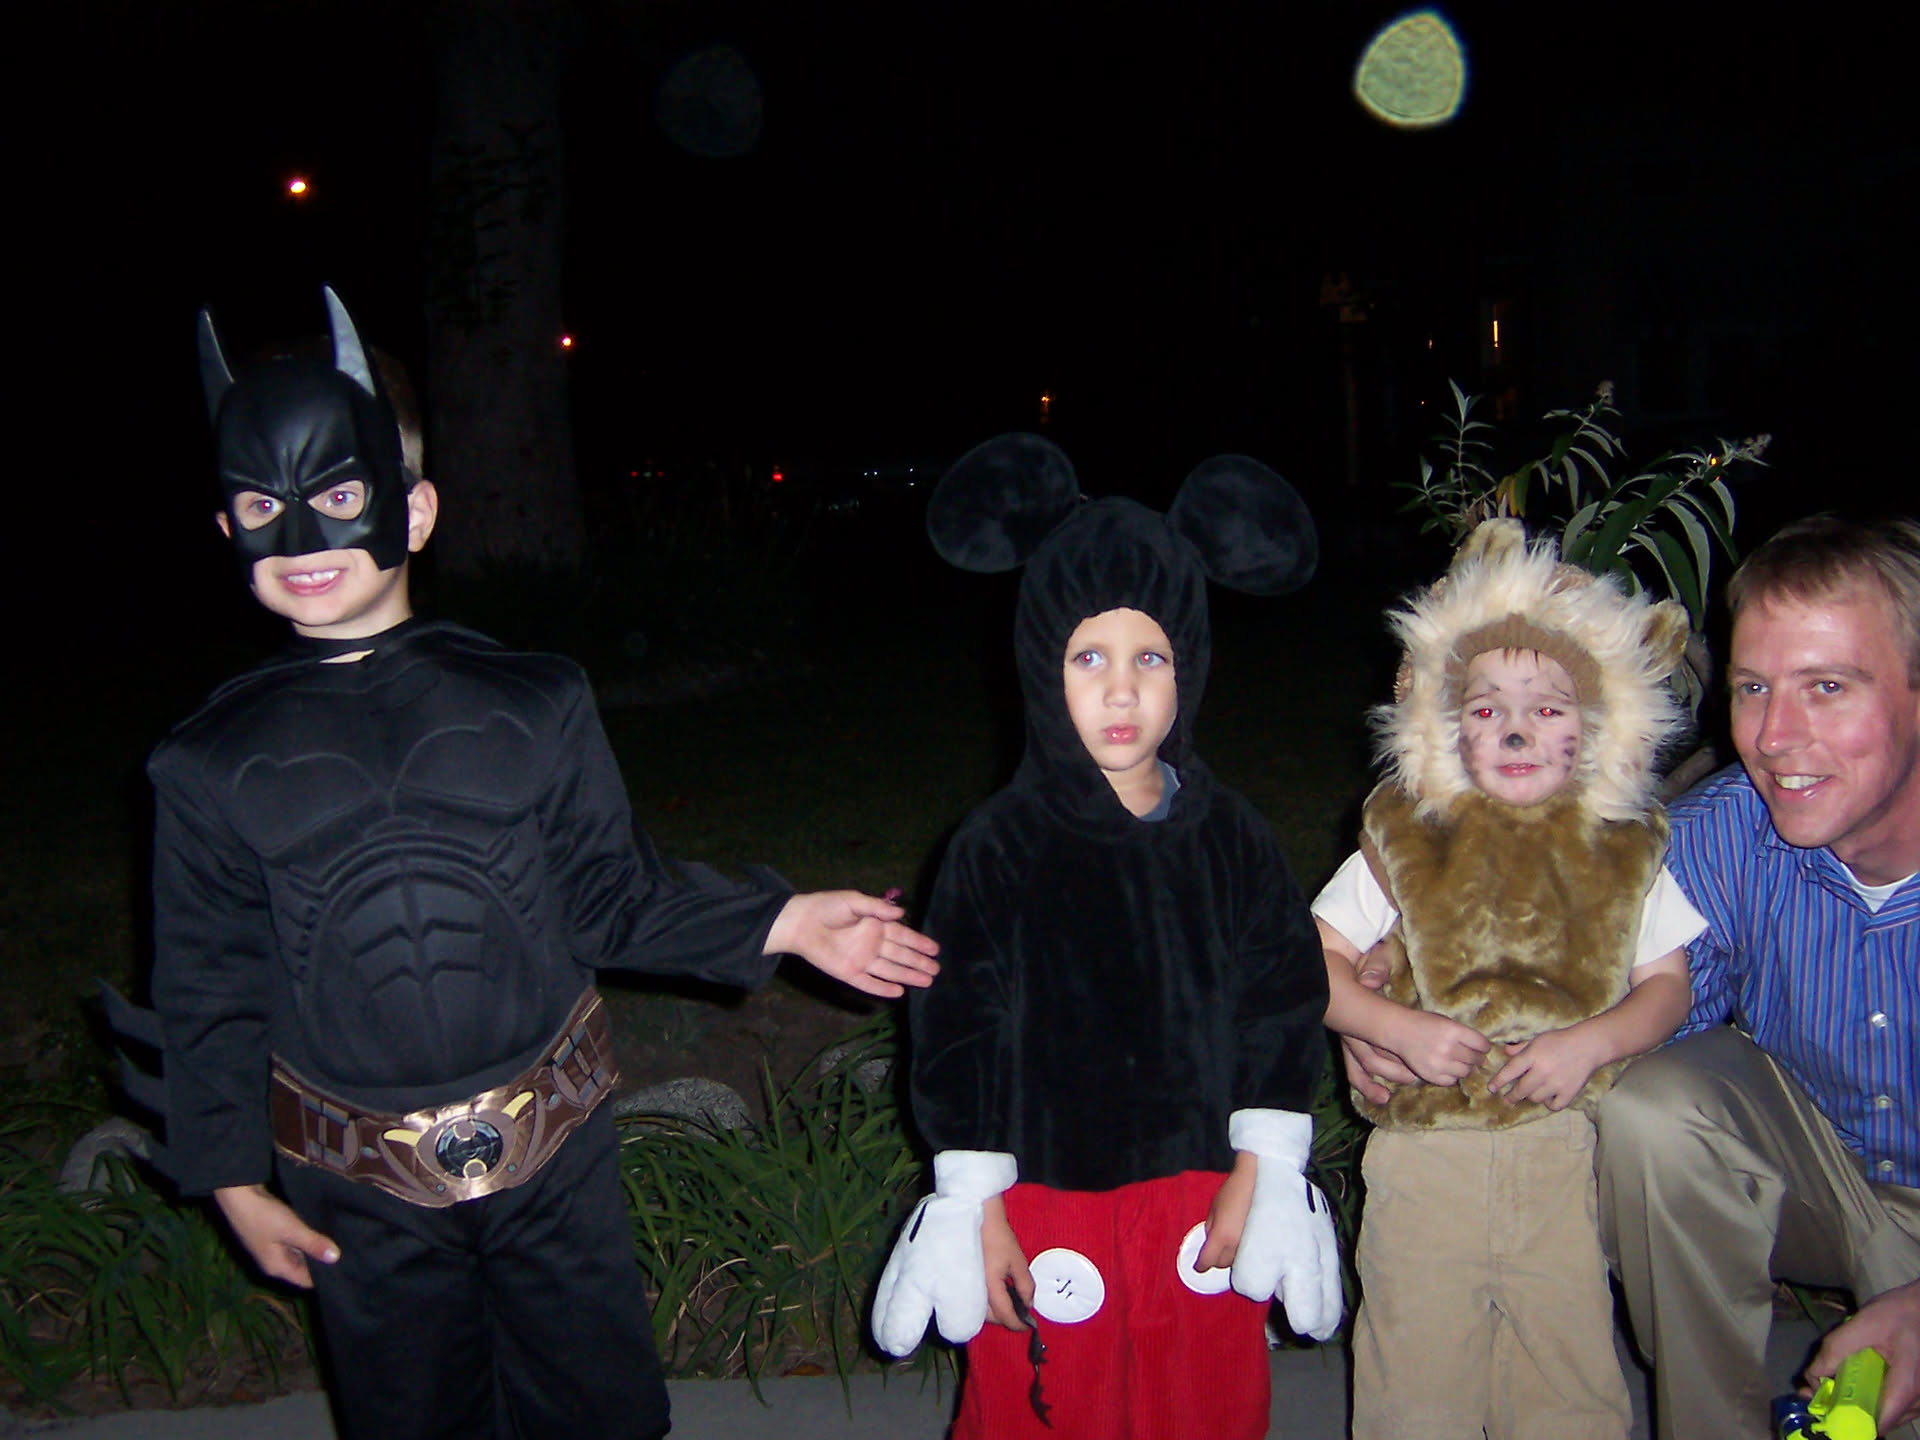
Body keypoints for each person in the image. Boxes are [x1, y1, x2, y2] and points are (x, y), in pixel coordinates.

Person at [122, 288, 941, 1440]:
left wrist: (787, 920)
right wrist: (230, 1179)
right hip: (357, 1189)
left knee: (599, 1409)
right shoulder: (208, 763)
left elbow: (609, 894)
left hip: (554, 1161)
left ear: (414, 510)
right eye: (263, 506)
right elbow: (206, 983)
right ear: (226, 531)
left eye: (340, 497)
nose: (303, 539)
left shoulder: (530, 701)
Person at [867, 433, 1339, 1440]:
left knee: (1202, 1401)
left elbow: (1282, 998)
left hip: (1201, 1190)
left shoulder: (1231, 835)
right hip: (1045, 1201)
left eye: (1149, 658)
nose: (1121, 691)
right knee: (1045, 1402)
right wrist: (975, 1201)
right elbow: (956, 1027)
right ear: (1042, 665)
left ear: (1189, 668)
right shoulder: (996, 846)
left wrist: (1262, 1165)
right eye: (1090, 657)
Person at [1316, 518, 1706, 1440]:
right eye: (1488, 709)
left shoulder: (1623, 850)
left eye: (1551, 709)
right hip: (1423, 1151)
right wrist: (1387, 1025)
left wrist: (1591, 1043)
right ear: (1447, 724)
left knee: (1564, 1362)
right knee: (1414, 1363)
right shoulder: (1409, 835)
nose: (1519, 727)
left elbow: (1668, 985)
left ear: (1599, 729)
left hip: (1557, 1148)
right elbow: (1311, 960)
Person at [1593, 514, 1920, 1440]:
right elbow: (1598, 1008)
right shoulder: (1725, 834)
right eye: (1752, 688)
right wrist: (1406, 1002)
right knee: (1652, 1110)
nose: (1774, 737)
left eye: (1827, 686)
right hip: (1834, 1182)